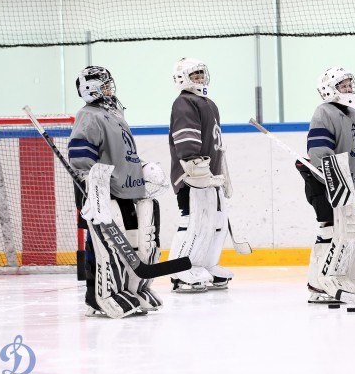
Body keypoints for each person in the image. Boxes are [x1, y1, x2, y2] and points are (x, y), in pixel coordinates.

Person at [69, 66, 169, 318]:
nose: (109, 89)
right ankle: (97, 296)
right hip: (106, 194)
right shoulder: (89, 116)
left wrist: (142, 167)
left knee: (136, 244)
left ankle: (130, 290)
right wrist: (93, 190)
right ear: (90, 89)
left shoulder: (114, 114)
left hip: (127, 190)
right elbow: (81, 159)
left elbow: (124, 154)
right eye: (104, 85)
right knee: (107, 247)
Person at [297, 67, 355, 303]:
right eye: (342, 85)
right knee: (330, 230)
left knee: (354, 233)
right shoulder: (323, 113)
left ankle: (349, 275)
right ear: (328, 90)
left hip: (352, 185)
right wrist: (335, 178)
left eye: (349, 84)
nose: (347, 89)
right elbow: (318, 150)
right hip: (325, 183)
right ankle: (317, 285)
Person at [167, 57, 233, 292]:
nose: (201, 79)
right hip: (191, 175)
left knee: (215, 223)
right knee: (192, 221)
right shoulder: (184, 103)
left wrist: (220, 171)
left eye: (201, 74)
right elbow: (186, 139)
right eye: (195, 75)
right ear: (182, 79)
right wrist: (194, 164)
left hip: (210, 176)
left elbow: (215, 142)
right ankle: (179, 270)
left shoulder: (208, 103)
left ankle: (205, 264)